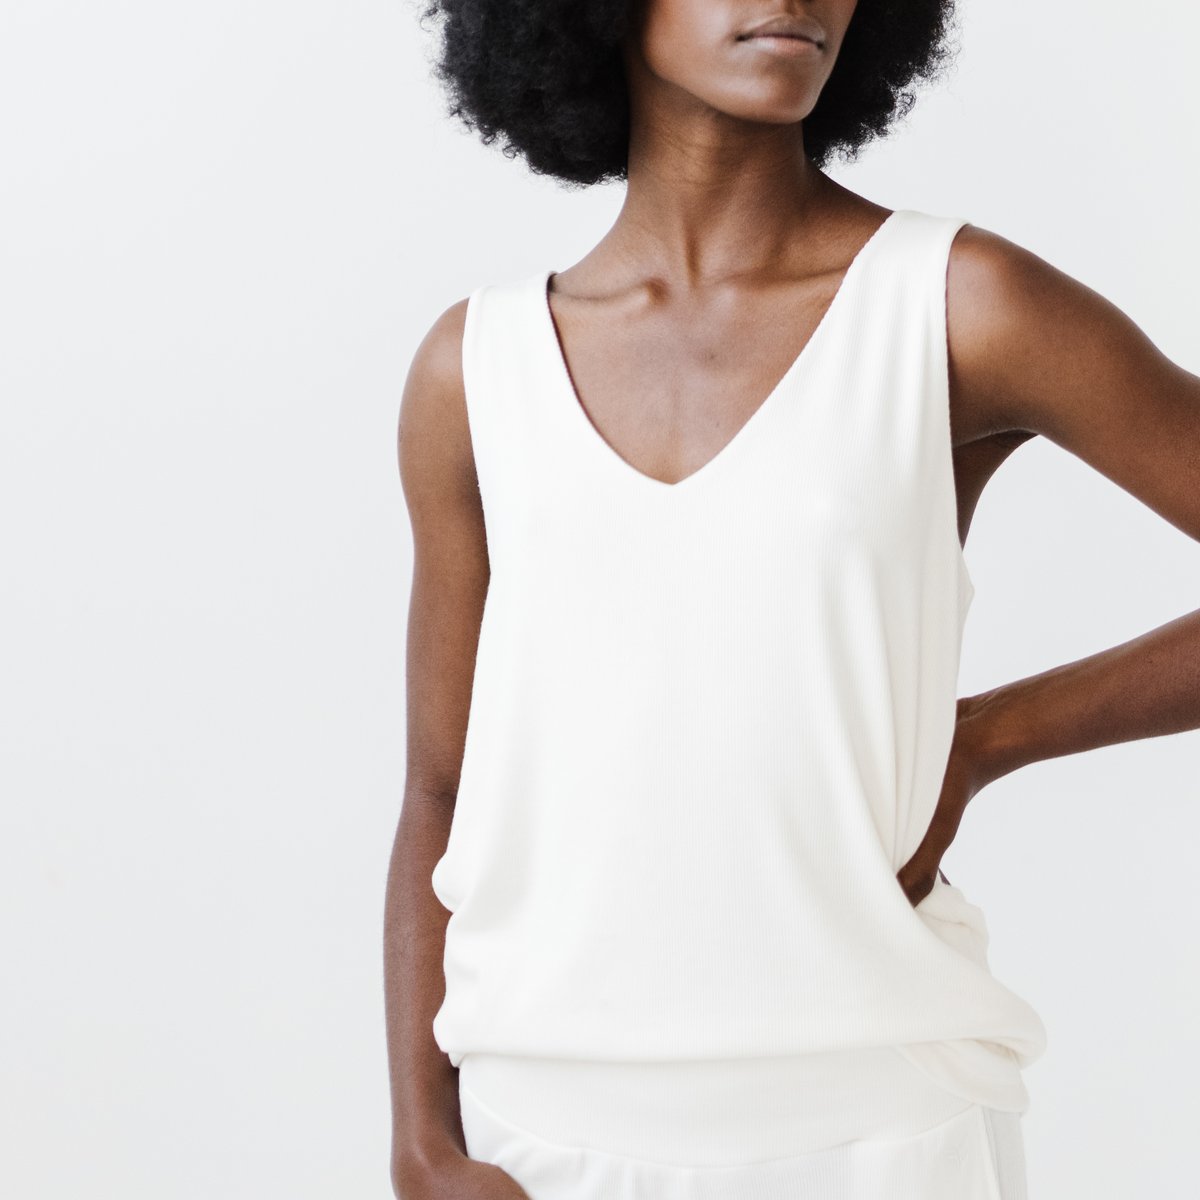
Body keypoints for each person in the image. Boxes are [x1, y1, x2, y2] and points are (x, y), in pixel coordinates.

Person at [384, 2, 1200, 1197]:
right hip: (541, 1133)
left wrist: (990, 737)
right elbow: (442, 789)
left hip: (883, 1128)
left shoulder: (957, 304)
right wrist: (420, 1142)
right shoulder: (477, 369)